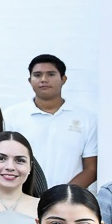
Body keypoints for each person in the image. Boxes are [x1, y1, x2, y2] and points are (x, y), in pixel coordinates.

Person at [22, 54, 98, 188]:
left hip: (70, 200)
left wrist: (62, 196)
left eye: (51, 74)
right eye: (37, 75)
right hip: (23, 198)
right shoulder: (11, 116)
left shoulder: (86, 118)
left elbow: (91, 169)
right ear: (29, 80)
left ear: (63, 79)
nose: (44, 79)